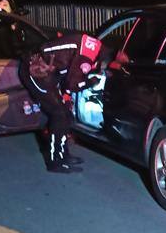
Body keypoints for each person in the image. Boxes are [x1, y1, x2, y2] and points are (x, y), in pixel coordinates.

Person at [19, 32, 108, 173]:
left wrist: (68, 93)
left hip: (48, 72)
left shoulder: (92, 46)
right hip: (36, 70)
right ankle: (55, 162)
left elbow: (68, 78)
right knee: (59, 114)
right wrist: (91, 82)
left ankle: (63, 155)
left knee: (66, 113)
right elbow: (74, 84)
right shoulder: (87, 56)